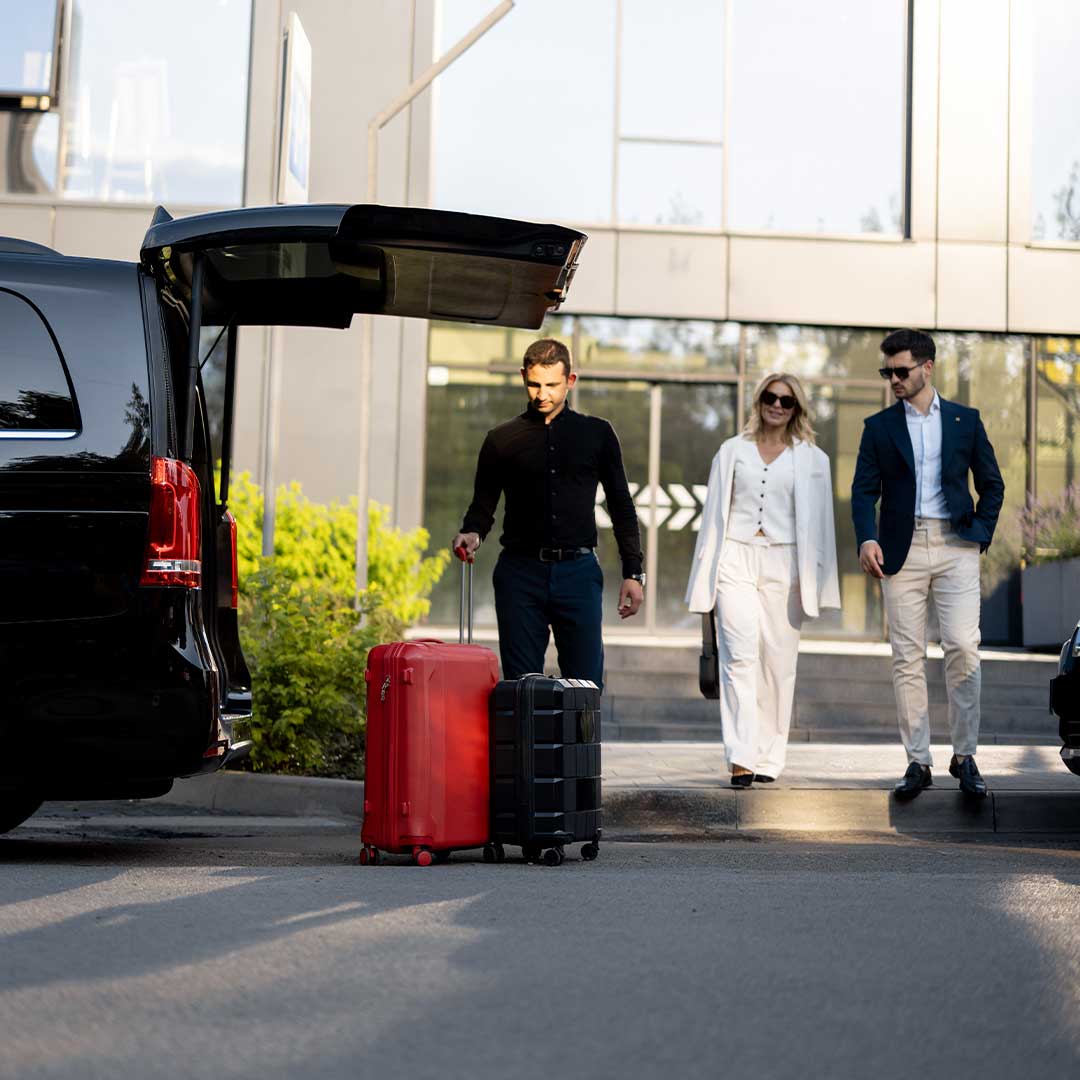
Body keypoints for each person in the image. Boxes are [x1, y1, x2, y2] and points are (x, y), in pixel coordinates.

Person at [851, 328, 1005, 799]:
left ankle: (965, 756)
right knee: (907, 656)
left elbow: (992, 484)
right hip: (902, 550)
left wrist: (980, 534)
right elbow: (863, 491)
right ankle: (918, 760)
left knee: (963, 646)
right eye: (888, 372)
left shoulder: (965, 420)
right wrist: (867, 538)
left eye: (901, 371)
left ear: (927, 367)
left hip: (956, 545)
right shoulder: (879, 427)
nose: (894, 379)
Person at [452, 338, 643, 690]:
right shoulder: (501, 440)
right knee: (523, 688)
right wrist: (471, 532)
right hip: (520, 575)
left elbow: (621, 506)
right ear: (523, 376)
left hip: (578, 573)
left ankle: (579, 730)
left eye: (552, 385)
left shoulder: (598, 434)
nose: (542, 394)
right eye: (534, 384)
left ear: (570, 380)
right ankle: (527, 727)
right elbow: (483, 506)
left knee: (585, 689)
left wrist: (633, 572)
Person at [685, 372, 840, 787]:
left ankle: (770, 756)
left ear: (796, 409)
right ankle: (742, 755)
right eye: (771, 397)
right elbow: (712, 517)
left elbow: (822, 526)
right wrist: (704, 573)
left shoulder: (813, 460)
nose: (777, 405)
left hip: (785, 562)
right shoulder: (732, 450)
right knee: (738, 656)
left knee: (778, 661)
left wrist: (821, 583)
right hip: (735, 558)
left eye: (786, 401)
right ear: (759, 401)